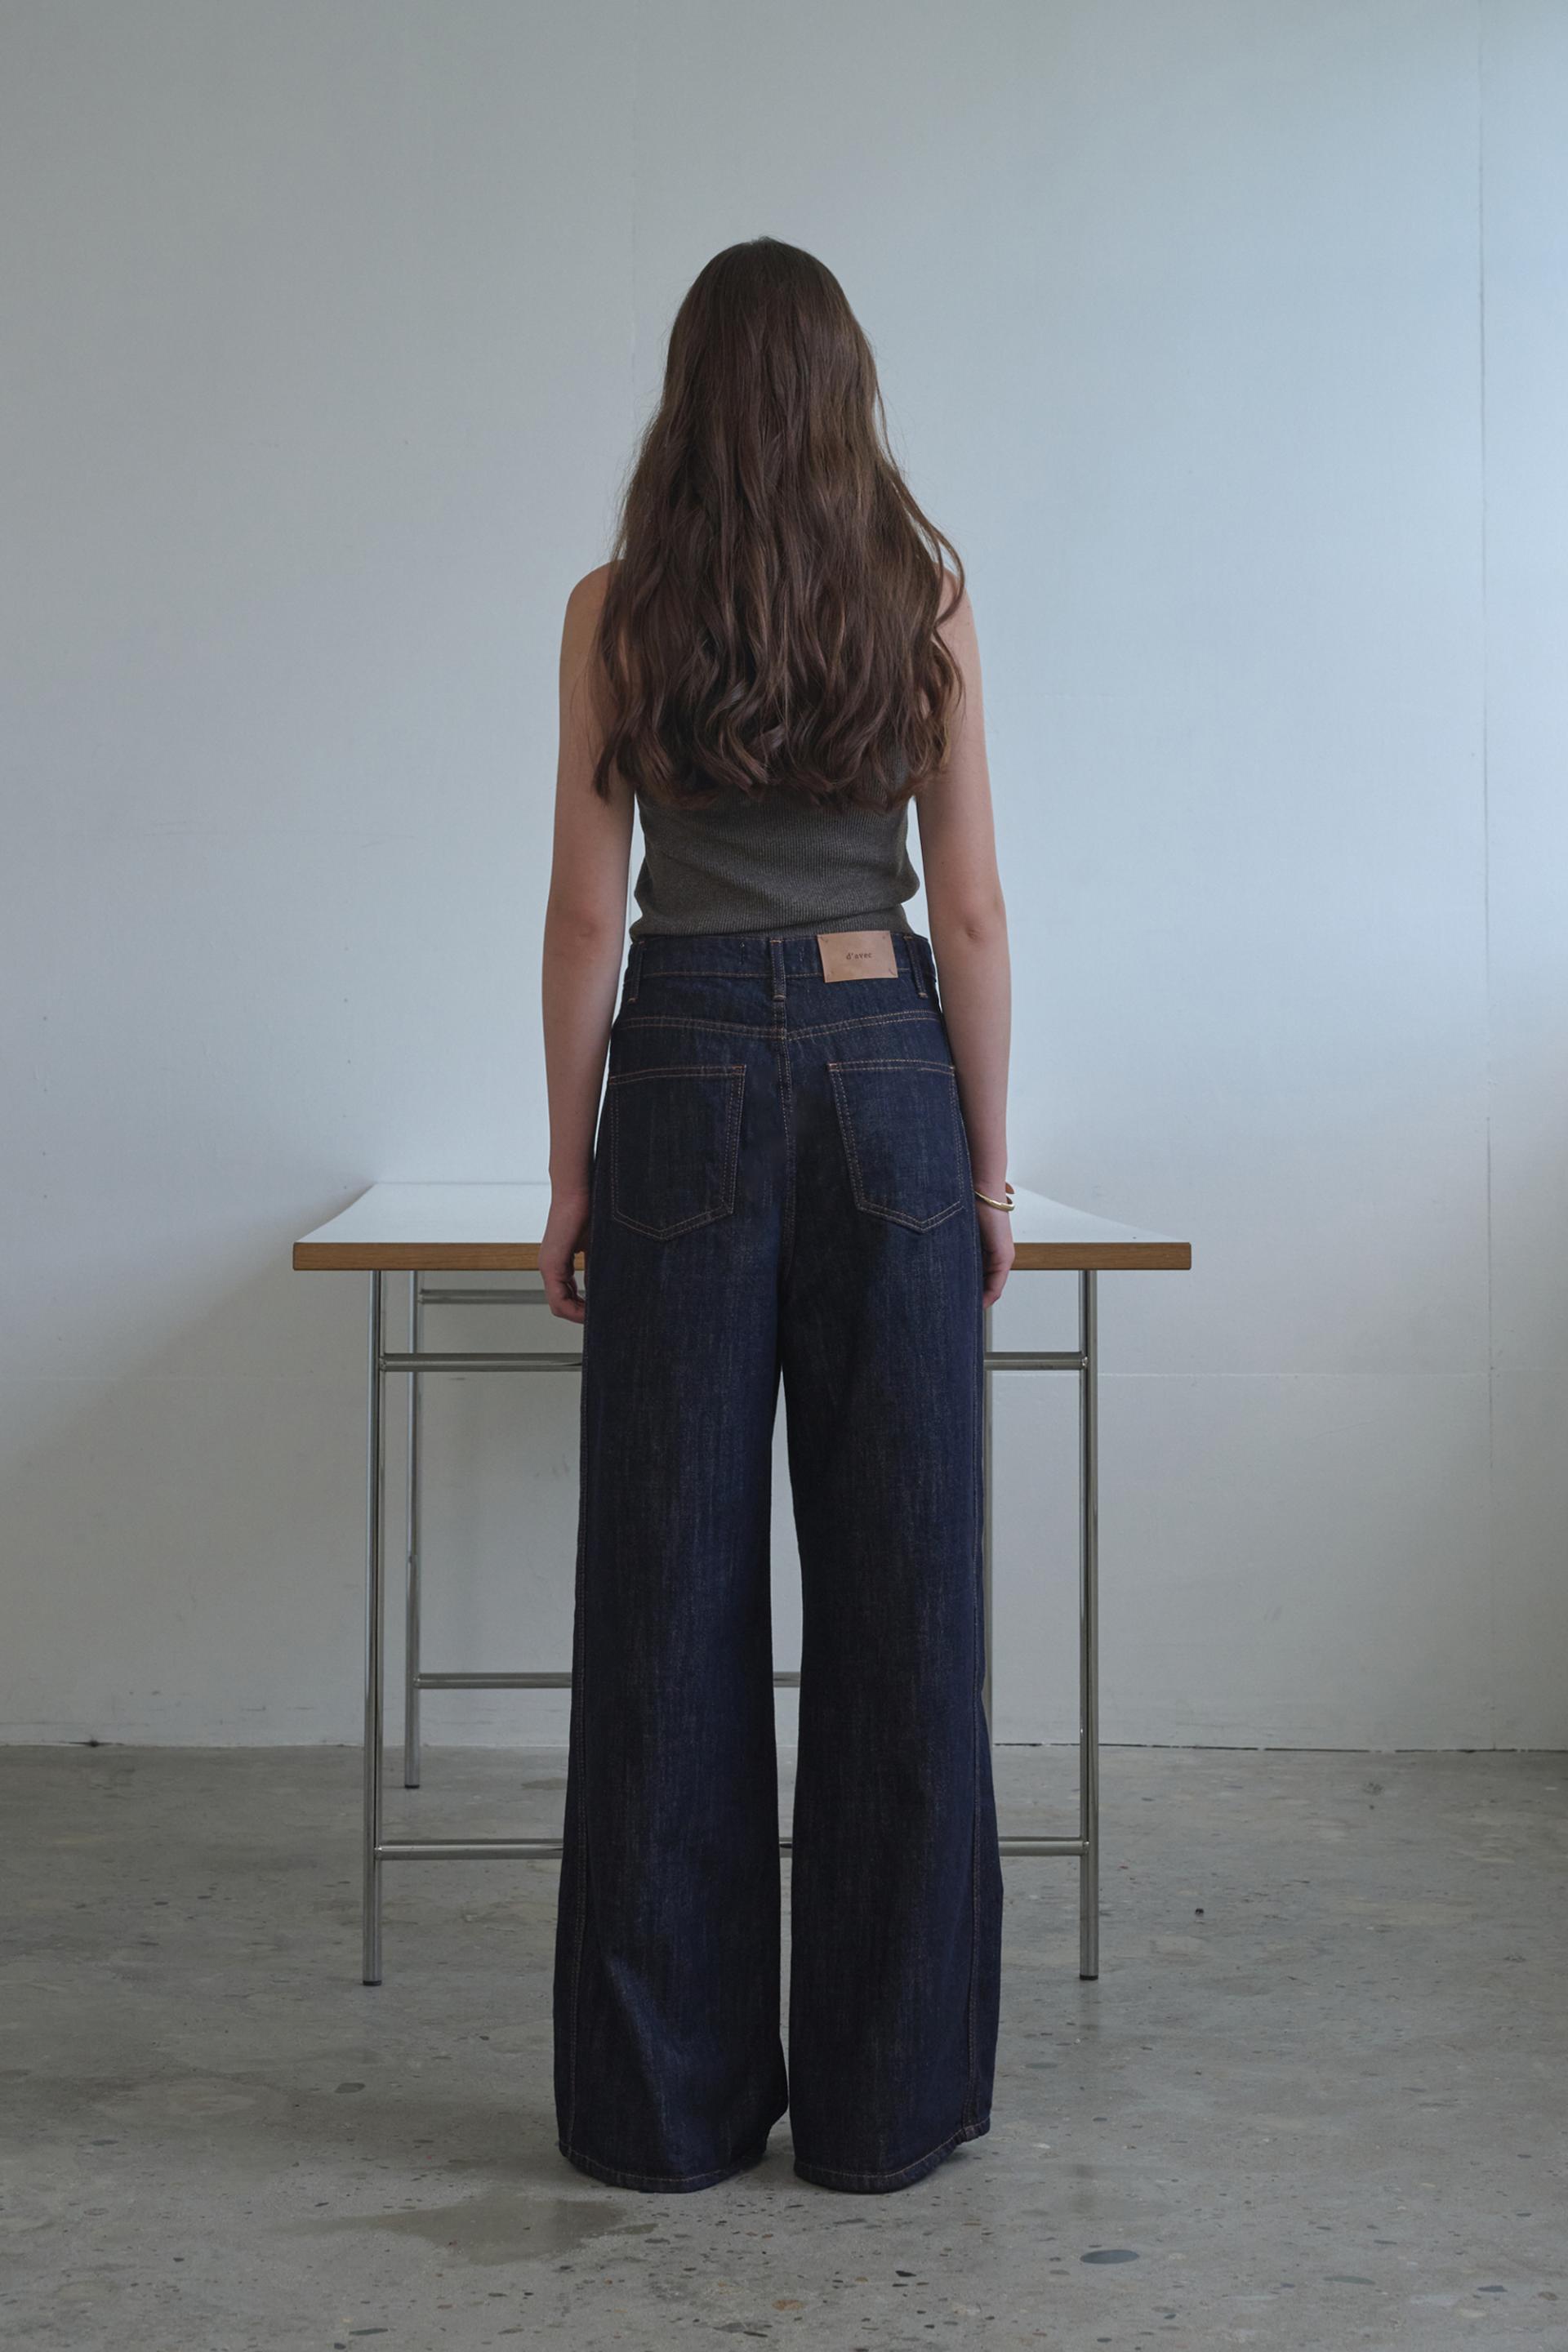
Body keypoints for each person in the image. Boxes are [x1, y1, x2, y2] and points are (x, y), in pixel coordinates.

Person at [538, 237, 1013, 2196]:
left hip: (685, 1067)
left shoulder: (619, 610)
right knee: (907, 1595)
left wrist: (570, 1173)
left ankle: (663, 2114)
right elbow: (967, 907)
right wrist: (985, 1168)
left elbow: (588, 915)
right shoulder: (924, 594)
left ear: (689, 401)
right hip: (888, 1060)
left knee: (668, 1593)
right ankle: (888, 2110)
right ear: (843, 400)